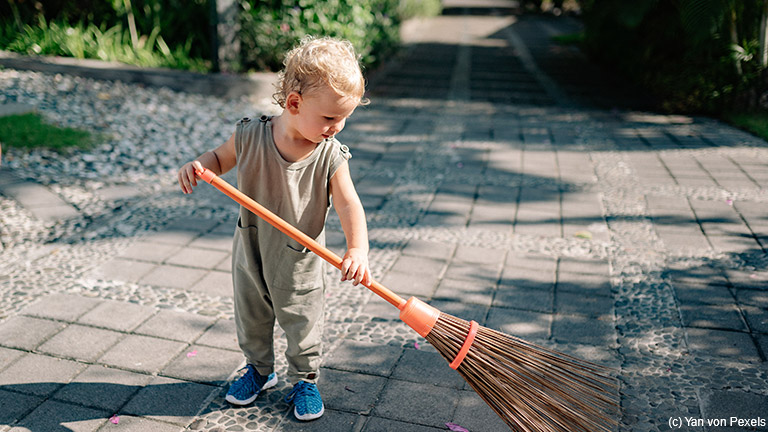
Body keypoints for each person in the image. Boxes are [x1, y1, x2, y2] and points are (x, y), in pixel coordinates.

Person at [177, 36, 371, 421]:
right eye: (330, 118)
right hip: (250, 249)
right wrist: (199, 166)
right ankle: (258, 370)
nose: (338, 127)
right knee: (251, 315)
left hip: (299, 259)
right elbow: (219, 158)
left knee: (301, 320)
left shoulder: (329, 154)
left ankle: (305, 379)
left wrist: (357, 249)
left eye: (343, 118)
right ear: (295, 104)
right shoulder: (250, 134)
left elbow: (349, 203)